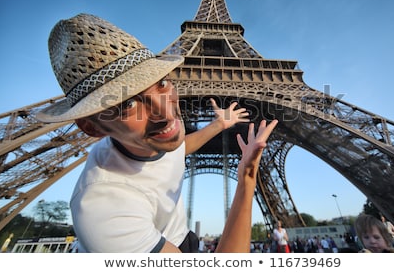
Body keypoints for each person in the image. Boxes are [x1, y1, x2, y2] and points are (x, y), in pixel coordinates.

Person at [36, 13, 278, 253]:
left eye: (162, 84)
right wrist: (247, 177)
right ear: (92, 127)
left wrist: (218, 125)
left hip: (182, 236)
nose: (165, 113)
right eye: (127, 104)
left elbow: (181, 147)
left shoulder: (146, 140)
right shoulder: (102, 208)